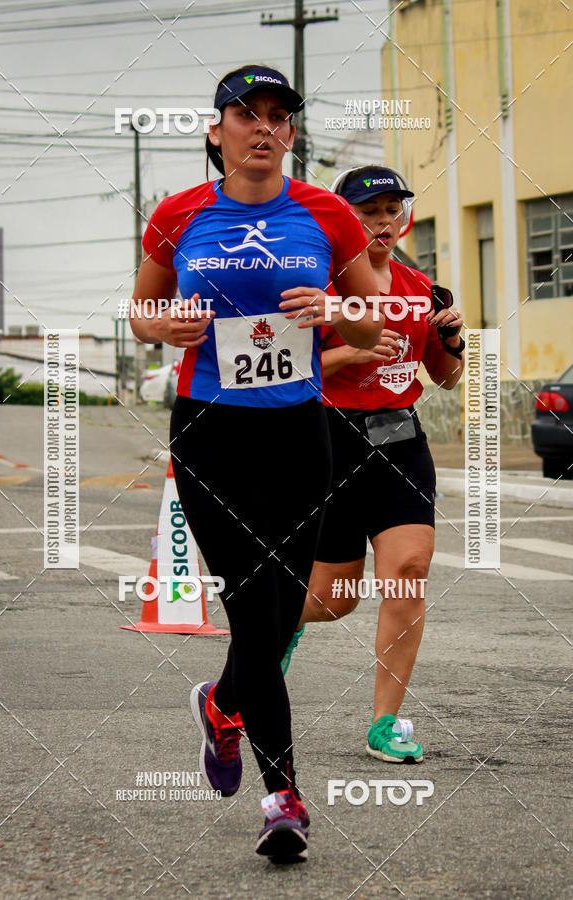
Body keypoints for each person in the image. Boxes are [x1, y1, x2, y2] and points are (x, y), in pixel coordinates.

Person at [129, 67, 384, 860]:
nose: (264, 128)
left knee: (276, 611)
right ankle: (284, 795)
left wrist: (336, 310)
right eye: (247, 116)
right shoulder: (178, 216)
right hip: (210, 430)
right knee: (252, 607)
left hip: (299, 432)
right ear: (217, 133)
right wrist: (163, 326)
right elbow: (141, 309)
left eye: (279, 117)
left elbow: (374, 327)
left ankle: (221, 704)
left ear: (291, 136)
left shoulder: (328, 214)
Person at [282, 165, 465, 764]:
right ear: (342, 218)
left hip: (402, 442)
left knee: (408, 571)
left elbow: (443, 376)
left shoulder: (422, 287)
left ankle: (386, 722)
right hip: (330, 442)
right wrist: (354, 348)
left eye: (392, 210)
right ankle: (278, 624)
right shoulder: (323, 287)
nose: (382, 222)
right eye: (369, 211)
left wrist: (454, 343)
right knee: (335, 598)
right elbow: (287, 369)